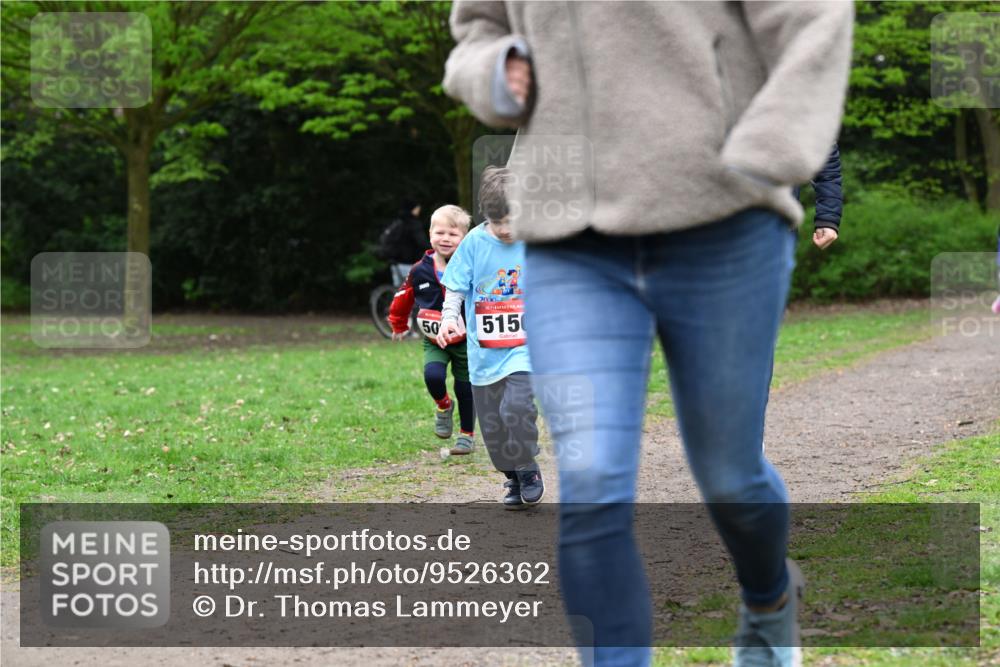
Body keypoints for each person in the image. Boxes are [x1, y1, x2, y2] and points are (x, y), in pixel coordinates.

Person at [443, 2, 853, 666]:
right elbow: (477, 28)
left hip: (723, 219)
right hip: (570, 235)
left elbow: (814, 19)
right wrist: (495, 69)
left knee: (729, 473)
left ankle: (769, 599)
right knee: (591, 479)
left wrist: (769, 147)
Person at [436, 166, 544, 509]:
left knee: (517, 407)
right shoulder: (473, 243)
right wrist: (448, 319)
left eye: (513, 221)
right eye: (499, 223)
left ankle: (527, 465)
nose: (507, 229)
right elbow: (455, 288)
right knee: (494, 432)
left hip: (525, 348)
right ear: (486, 216)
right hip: (483, 355)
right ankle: (512, 476)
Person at [388, 205, 476, 454]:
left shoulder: (471, 267)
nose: (445, 239)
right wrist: (398, 322)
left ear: (464, 238)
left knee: (465, 387)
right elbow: (404, 296)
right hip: (434, 339)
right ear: (430, 234)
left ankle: (466, 435)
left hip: (465, 340)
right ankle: (444, 405)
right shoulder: (419, 270)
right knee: (433, 376)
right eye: (440, 233)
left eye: (453, 234)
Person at [379, 199, 429, 287]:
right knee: (419, 287)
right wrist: (434, 249)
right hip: (409, 263)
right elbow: (422, 242)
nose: (419, 210)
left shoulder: (397, 223)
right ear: (413, 209)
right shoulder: (413, 224)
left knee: (400, 289)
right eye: (417, 208)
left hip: (395, 263)